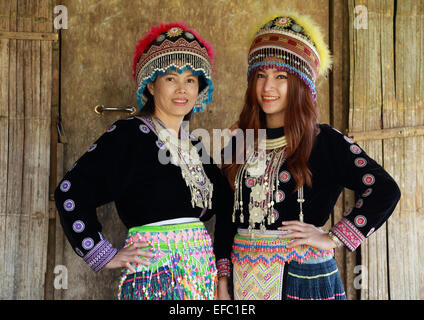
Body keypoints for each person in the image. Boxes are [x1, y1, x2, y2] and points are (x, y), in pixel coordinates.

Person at [219, 13, 401, 300]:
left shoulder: (325, 141)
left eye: (281, 77)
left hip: (306, 278)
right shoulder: (238, 142)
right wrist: (222, 277)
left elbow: (385, 189)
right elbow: (226, 217)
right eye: (261, 76)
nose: (268, 87)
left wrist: (333, 237)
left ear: (303, 85)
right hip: (244, 279)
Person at [54, 22, 234, 300]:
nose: (181, 89)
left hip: (201, 277)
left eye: (190, 80)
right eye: (171, 79)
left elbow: (226, 202)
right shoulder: (129, 135)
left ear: (199, 88)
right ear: (151, 85)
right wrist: (104, 254)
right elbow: (70, 191)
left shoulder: (195, 145)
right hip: (154, 276)